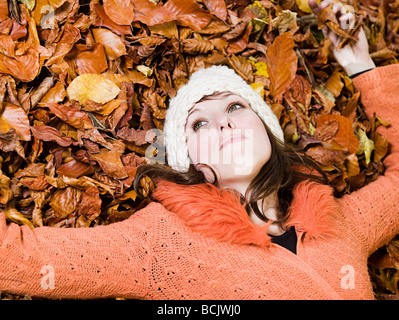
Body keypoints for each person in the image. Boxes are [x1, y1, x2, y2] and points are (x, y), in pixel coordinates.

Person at [0, 0, 398, 300]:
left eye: (236, 106)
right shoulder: (163, 244)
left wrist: (362, 67)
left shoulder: (340, 222)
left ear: (268, 132)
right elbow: (19, 258)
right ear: (190, 162)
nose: (224, 121)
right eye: (199, 123)